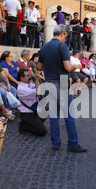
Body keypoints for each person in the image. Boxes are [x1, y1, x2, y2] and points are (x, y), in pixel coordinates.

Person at [37, 24, 87, 152]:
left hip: (48, 83)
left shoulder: (44, 47)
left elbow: (39, 67)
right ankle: (73, 144)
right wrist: (78, 66)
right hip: (62, 82)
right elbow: (67, 67)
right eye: (66, 35)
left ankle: (55, 143)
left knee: (54, 116)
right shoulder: (62, 46)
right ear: (63, 34)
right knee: (69, 116)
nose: (66, 38)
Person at [16, 68, 47, 136]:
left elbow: (38, 87)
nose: (29, 77)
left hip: (34, 110)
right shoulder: (21, 89)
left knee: (47, 107)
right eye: (27, 76)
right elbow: (38, 92)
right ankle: (24, 126)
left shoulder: (27, 84)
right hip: (27, 114)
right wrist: (36, 79)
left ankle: (37, 124)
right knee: (42, 131)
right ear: (21, 78)